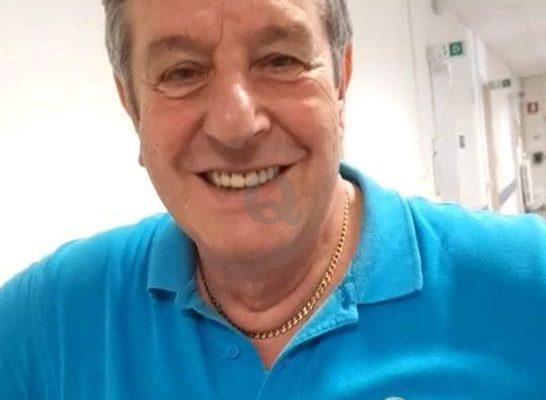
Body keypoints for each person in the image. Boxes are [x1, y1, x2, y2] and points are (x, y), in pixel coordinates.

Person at [1, 0, 545, 398]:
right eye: (182, 72)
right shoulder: (49, 321)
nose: (236, 124)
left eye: (280, 60)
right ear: (133, 107)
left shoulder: (527, 284)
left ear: (340, 79)